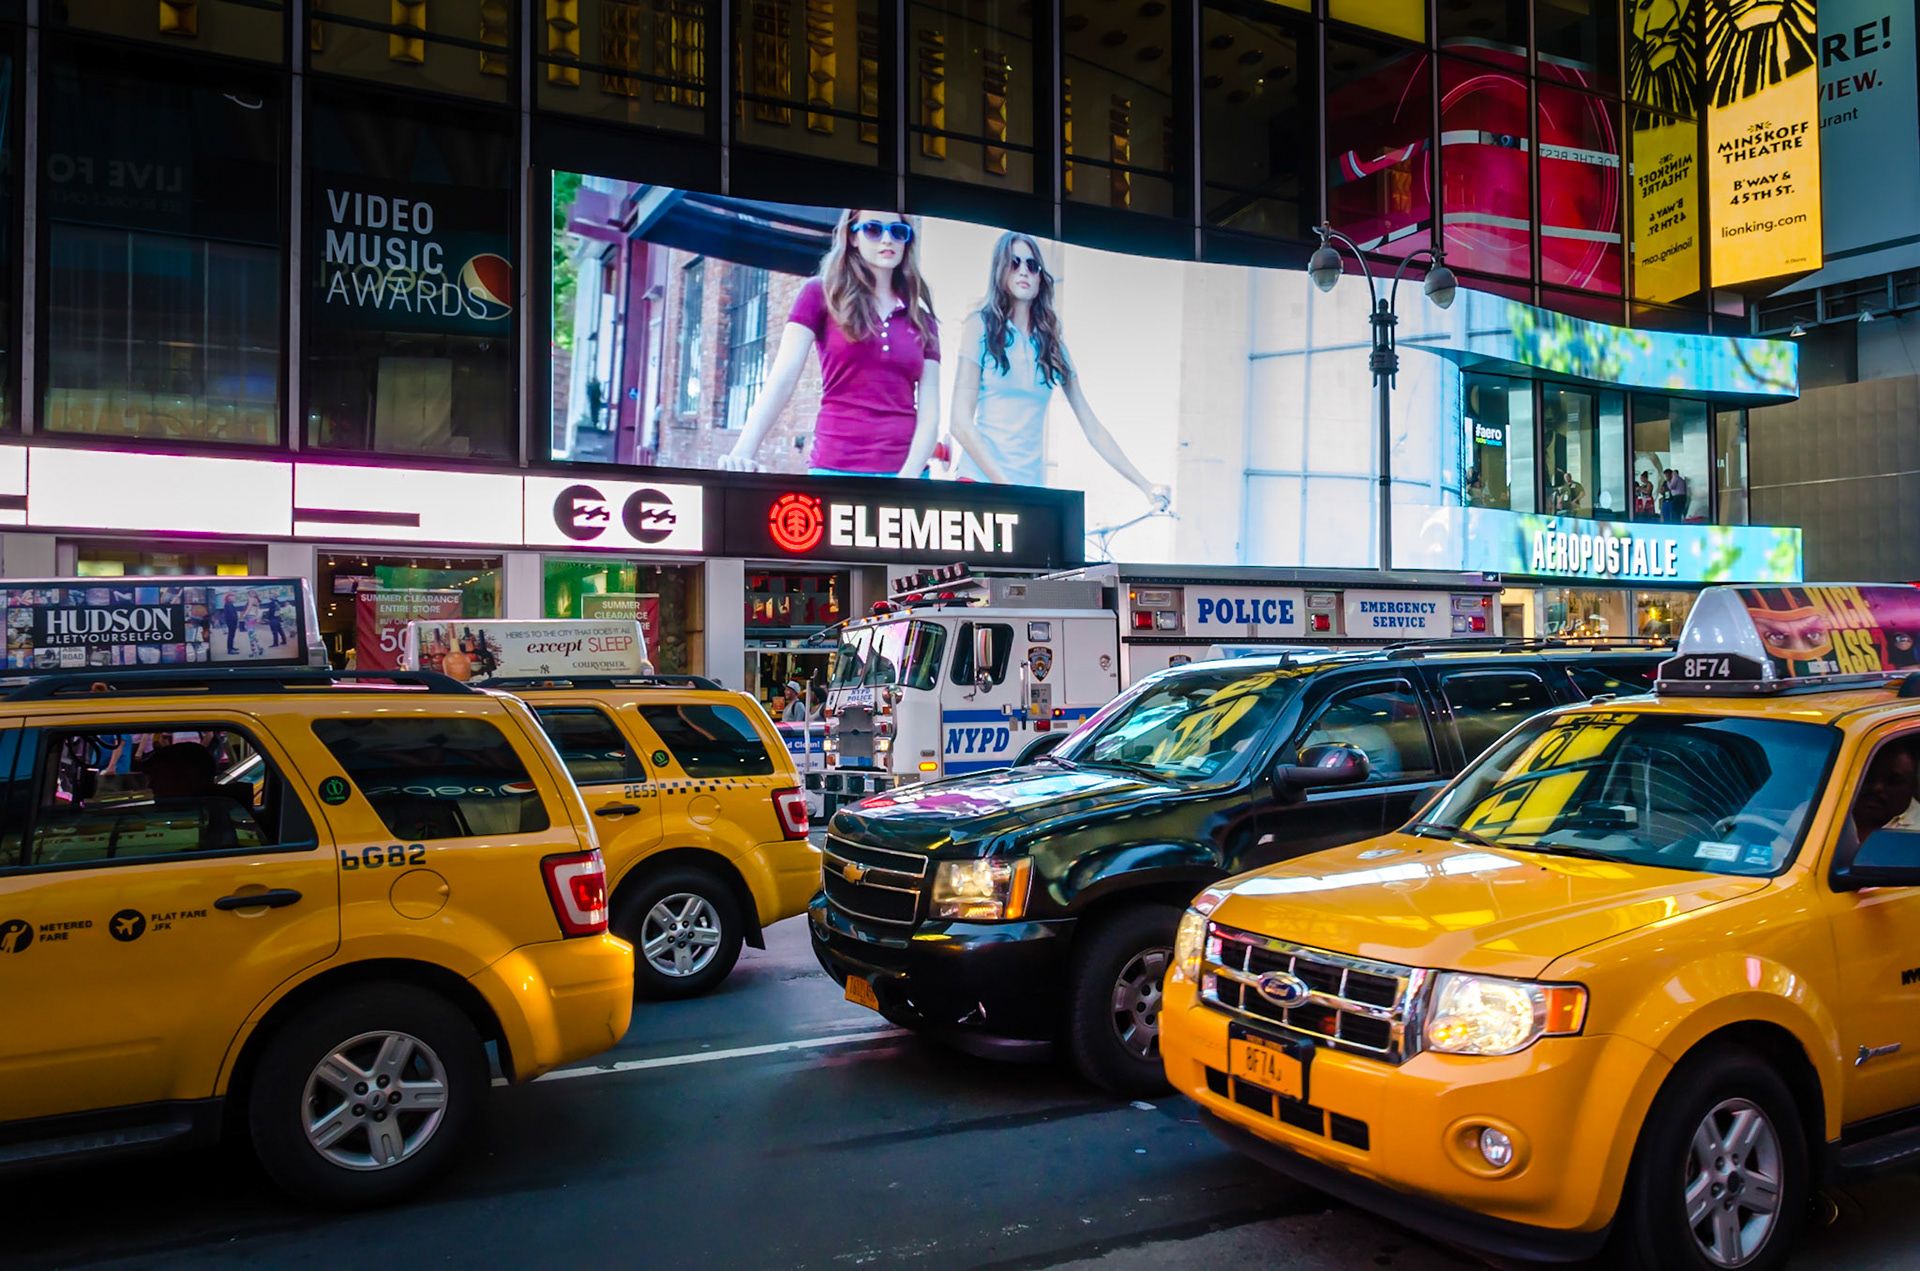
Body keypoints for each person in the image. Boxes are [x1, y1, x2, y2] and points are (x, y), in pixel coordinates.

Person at [946, 233, 1170, 510]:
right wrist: (1005, 486)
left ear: (1041, 276)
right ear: (1000, 270)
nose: (1024, 271)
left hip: (1029, 491)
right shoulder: (980, 327)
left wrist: (1144, 485)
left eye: (1032, 265)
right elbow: (959, 423)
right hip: (980, 483)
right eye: (1014, 263)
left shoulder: (1051, 345)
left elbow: (1093, 428)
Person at [719, 210, 941, 477]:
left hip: (907, 473)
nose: (887, 239)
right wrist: (743, 451)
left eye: (898, 232)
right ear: (853, 237)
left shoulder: (922, 319)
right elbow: (782, 380)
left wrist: (910, 475)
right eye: (873, 229)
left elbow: (930, 411)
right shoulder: (820, 294)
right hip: (836, 468)